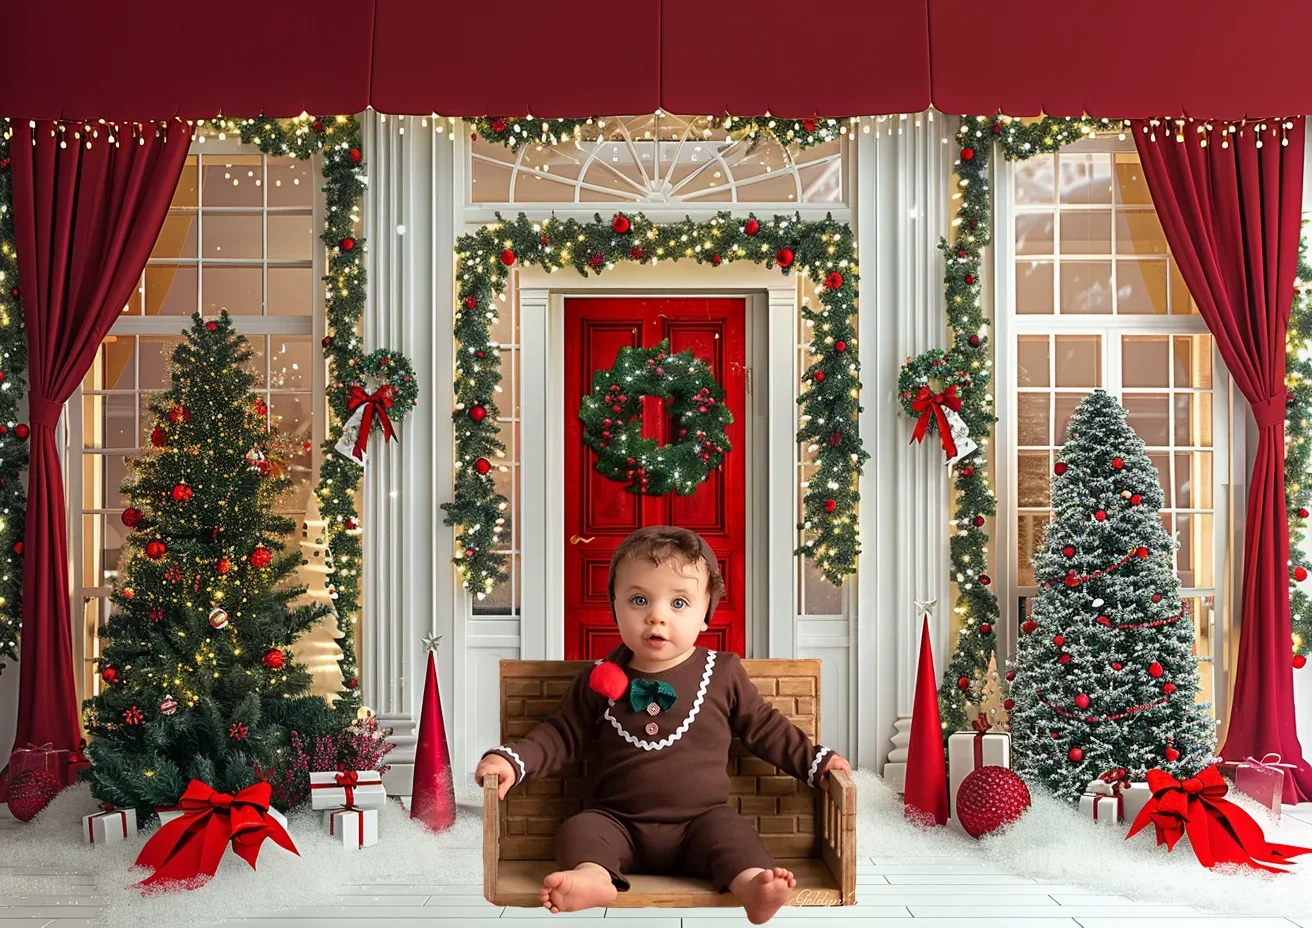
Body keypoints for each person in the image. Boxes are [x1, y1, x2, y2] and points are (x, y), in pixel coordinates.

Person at [474, 525, 851, 923]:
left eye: (679, 603)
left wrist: (817, 762)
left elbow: (766, 728)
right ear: (614, 606)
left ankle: (753, 885)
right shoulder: (598, 678)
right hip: (617, 821)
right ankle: (593, 876)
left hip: (701, 821)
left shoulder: (722, 673)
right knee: (579, 830)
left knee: (735, 836)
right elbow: (558, 735)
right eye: (639, 599)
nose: (656, 615)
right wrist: (510, 761)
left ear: (706, 613)